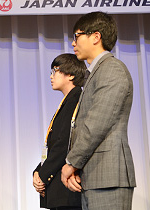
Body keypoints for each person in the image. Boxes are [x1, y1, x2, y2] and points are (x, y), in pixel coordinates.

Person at [61, 12, 136, 210]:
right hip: (93, 177)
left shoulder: (112, 69)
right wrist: (77, 166)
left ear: (95, 37)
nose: (73, 43)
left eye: (76, 36)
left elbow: (96, 124)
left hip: (109, 177)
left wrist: (71, 163)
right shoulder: (96, 73)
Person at [33, 54, 85, 210]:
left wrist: (43, 175)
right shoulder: (67, 102)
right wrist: (37, 171)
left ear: (71, 75)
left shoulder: (76, 99)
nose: (51, 76)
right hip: (59, 190)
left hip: (67, 190)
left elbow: (64, 143)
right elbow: (53, 144)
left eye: (55, 70)